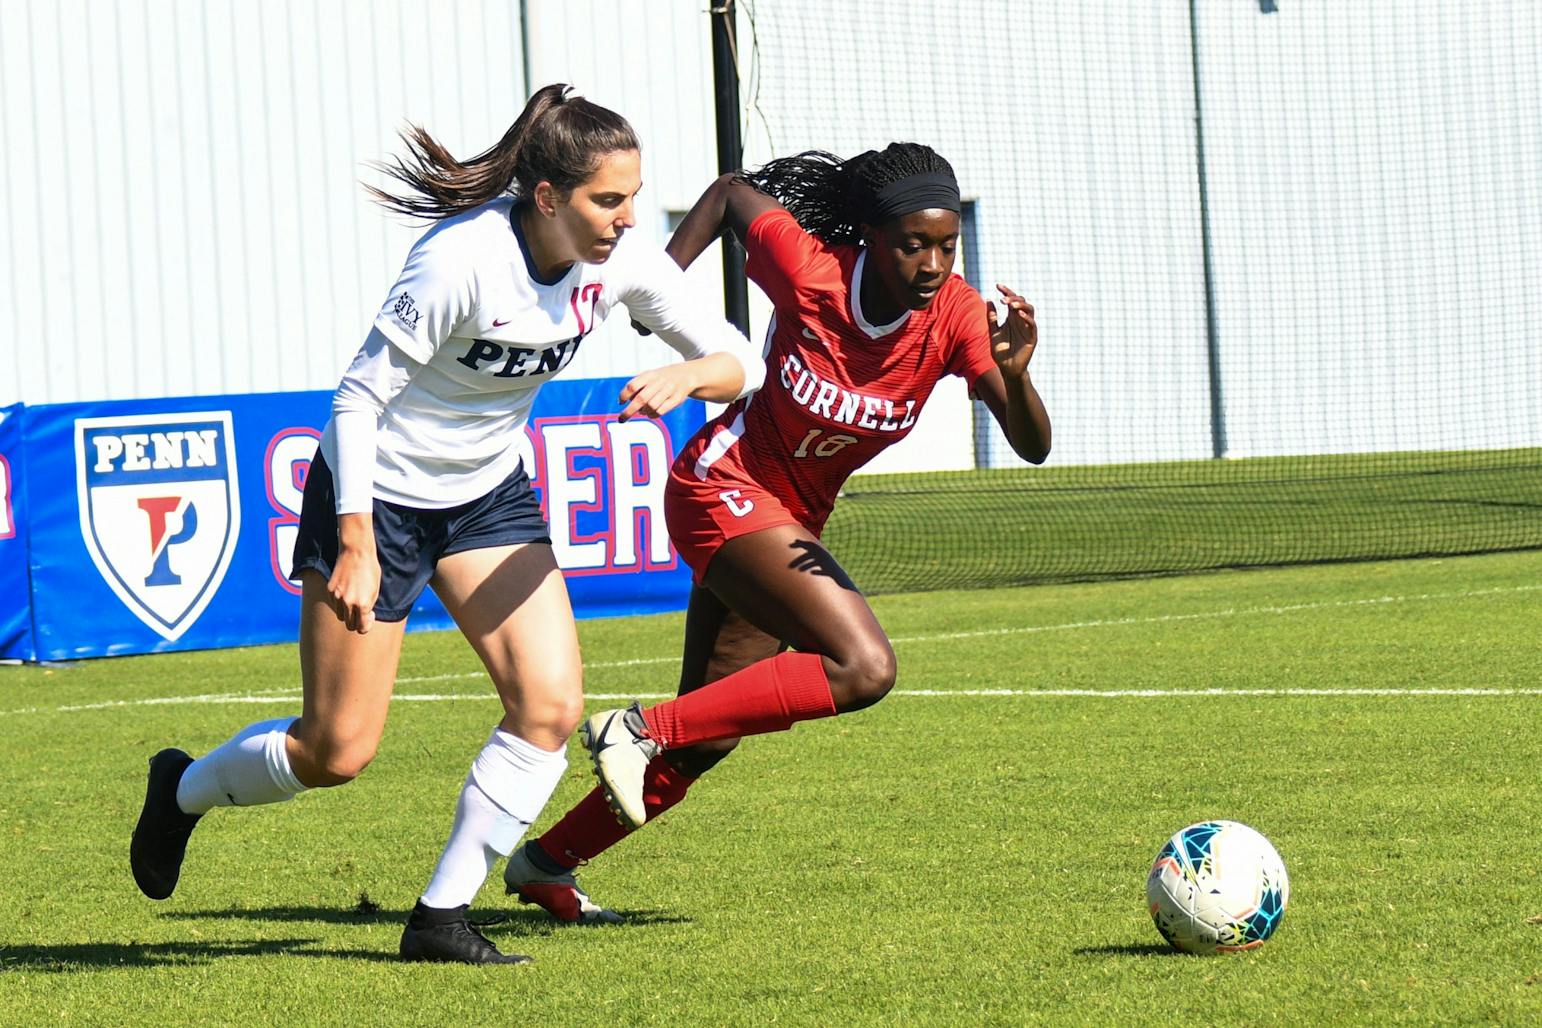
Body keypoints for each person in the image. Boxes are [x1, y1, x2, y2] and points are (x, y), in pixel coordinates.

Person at [128, 84, 764, 964]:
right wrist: (354, 540)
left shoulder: (620, 263)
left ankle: (440, 918)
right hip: (378, 495)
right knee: (336, 750)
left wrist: (695, 377)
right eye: (606, 200)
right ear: (547, 198)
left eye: (630, 197)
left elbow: (746, 360)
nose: (625, 220)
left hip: (487, 497)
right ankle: (184, 790)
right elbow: (356, 399)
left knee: (548, 705)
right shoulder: (459, 262)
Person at [500, 143, 1049, 923]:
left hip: (787, 526)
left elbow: (1032, 445)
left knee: (709, 732)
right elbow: (728, 194)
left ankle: (546, 863)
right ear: (867, 235)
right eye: (912, 244)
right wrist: (658, 292)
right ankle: (634, 728)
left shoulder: (957, 316)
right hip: (719, 486)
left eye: (947, 243)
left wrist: (1017, 372)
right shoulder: (812, 269)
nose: (932, 263)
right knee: (864, 667)